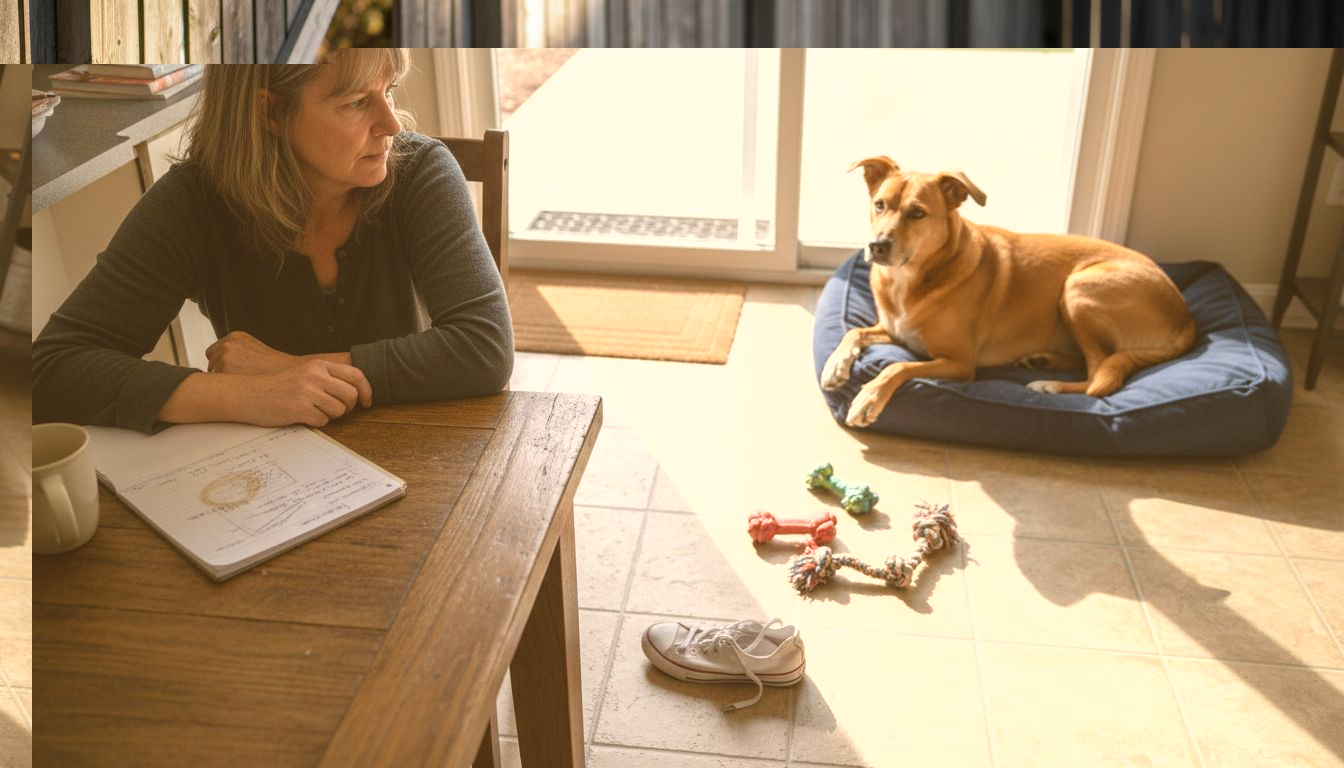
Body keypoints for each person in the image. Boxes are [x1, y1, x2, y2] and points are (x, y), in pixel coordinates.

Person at [33, 50, 513, 433]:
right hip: (269, 481)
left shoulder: (421, 173)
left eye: (387, 90)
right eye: (356, 102)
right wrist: (245, 395)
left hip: (420, 444)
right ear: (271, 111)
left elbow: (484, 348)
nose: (392, 124)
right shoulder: (195, 200)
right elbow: (50, 371)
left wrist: (289, 370)